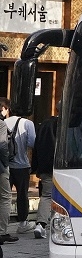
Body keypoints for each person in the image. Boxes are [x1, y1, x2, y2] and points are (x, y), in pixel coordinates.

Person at [0, 99, 35, 243]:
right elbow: (32, 142)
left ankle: (3, 225)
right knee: (22, 195)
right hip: (22, 164)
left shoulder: (4, 122)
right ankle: (22, 223)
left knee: (3, 197)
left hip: (6, 165)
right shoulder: (28, 123)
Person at [30, 114, 57, 239]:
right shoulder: (66, 124)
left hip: (45, 167)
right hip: (63, 166)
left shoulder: (43, 126)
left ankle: (40, 225)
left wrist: (36, 167)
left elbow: (36, 147)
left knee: (46, 195)